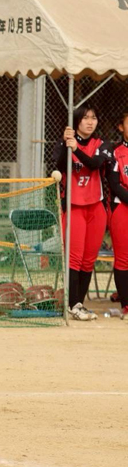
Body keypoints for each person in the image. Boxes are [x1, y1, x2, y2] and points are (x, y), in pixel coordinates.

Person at [55, 105, 110, 321]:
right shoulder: (66, 142)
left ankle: (79, 304)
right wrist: (65, 144)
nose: (90, 122)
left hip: (96, 207)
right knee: (74, 257)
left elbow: (95, 164)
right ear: (76, 121)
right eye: (85, 118)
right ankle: (72, 304)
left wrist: (76, 148)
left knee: (88, 259)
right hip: (74, 205)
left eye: (93, 118)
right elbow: (59, 166)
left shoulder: (102, 144)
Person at [107, 112, 128, 317]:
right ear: (121, 127)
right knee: (123, 258)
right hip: (122, 207)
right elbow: (114, 184)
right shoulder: (115, 152)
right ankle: (126, 303)